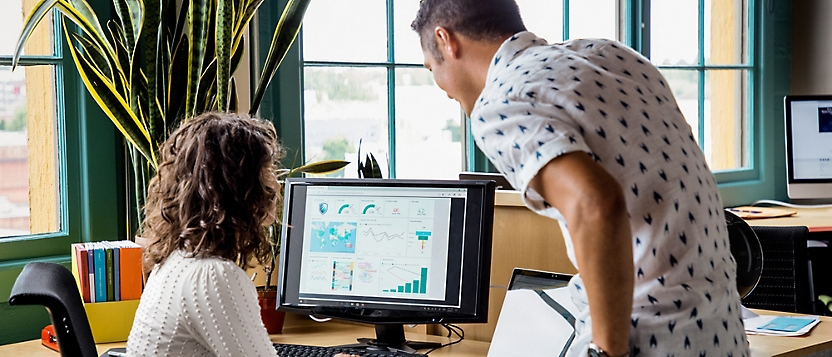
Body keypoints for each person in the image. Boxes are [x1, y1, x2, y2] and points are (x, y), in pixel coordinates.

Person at [411, 1, 749, 357]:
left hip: (647, 340)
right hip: (722, 332)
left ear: (446, 40)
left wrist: (605, 352)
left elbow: (595, 204)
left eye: (432, 68)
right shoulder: (611, 56)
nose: (442, 88)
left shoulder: (500, 102)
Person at [126, 112, 358, 357]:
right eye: (267, 172)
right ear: (239, 187)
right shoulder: (212, 276)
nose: (276, 185)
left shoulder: (174, 262)